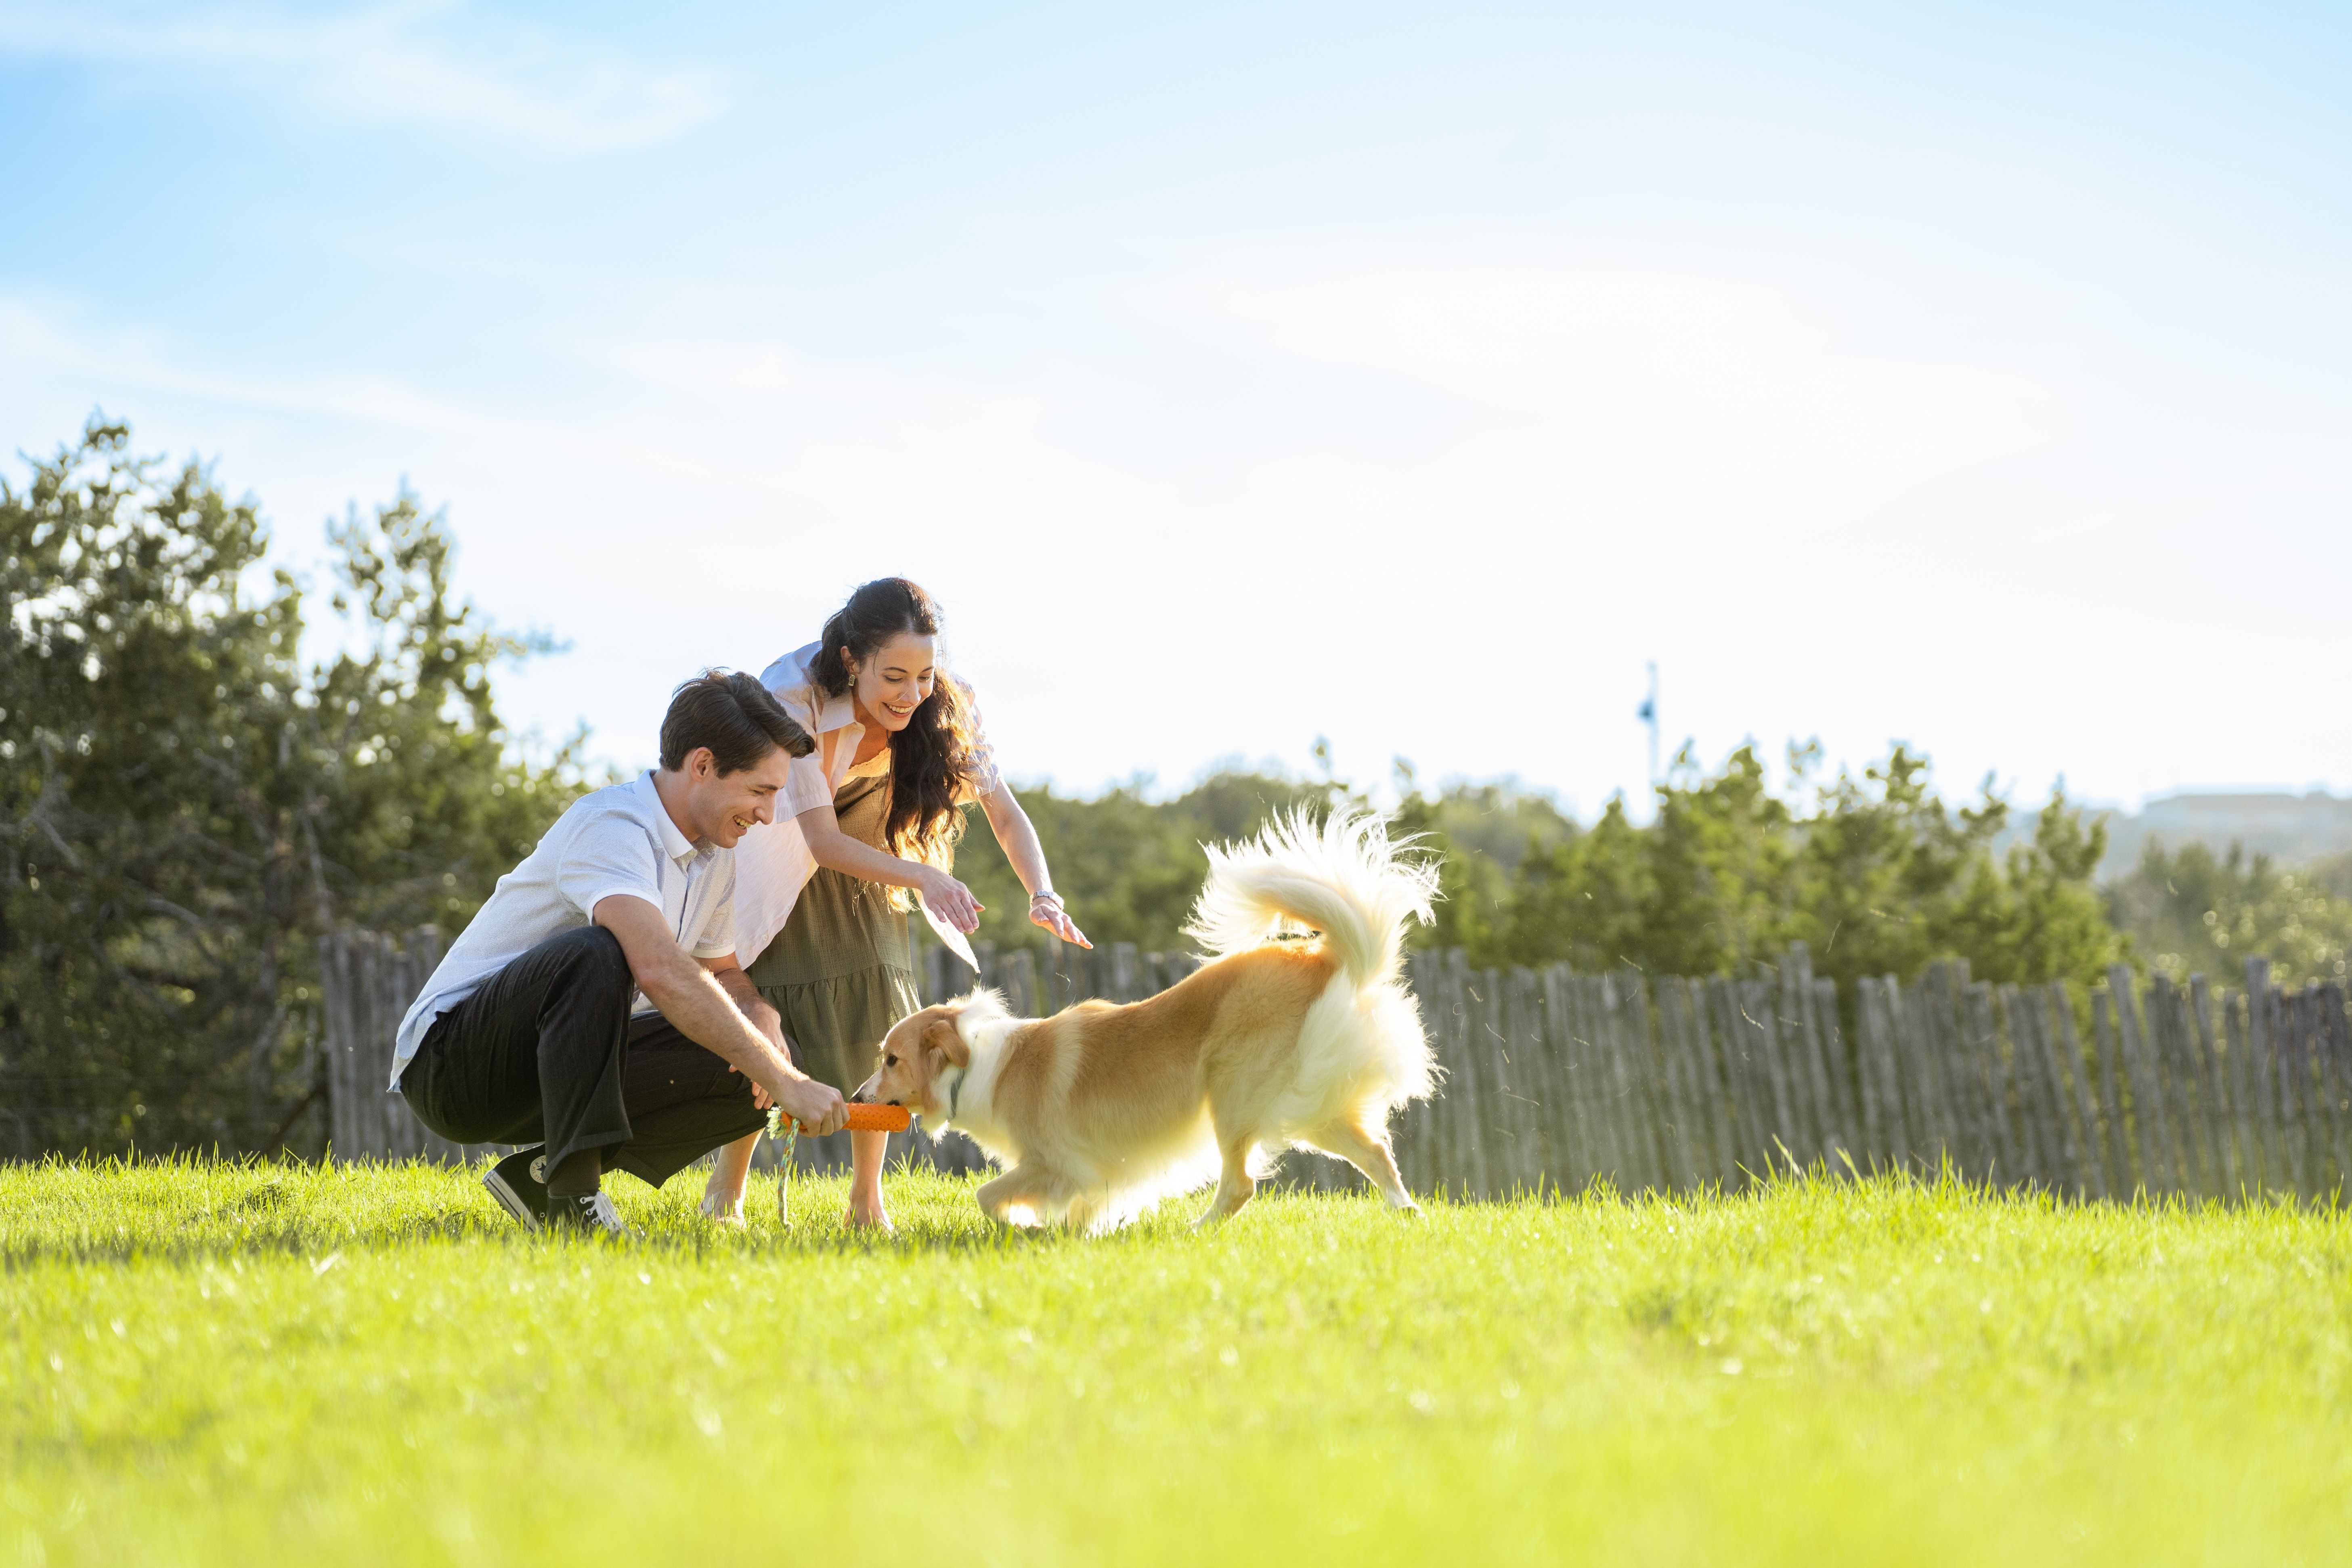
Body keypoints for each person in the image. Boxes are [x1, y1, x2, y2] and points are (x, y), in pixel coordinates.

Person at [392, 671, 850, 1235]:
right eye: (760, 790)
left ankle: (538, 1179)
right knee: (599, 952)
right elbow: (657, 967)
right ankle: (573, 1203)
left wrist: (764, 1024)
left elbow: (722, 970)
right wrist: (785, 1082)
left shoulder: (715, 856)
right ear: (703, 766)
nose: (769, 814)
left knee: (755, 1063)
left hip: (560, 1067)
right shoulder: (613, 826)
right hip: (455, 1070)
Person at [699, 577, 1090, 1231]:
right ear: (852, 661)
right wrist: (925, 879)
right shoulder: (791, 695)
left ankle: (866, 1201)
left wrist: (1042, 892)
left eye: (926, 675)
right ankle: (726, 1189)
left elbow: (1005, 813)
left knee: (880, 1005)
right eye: (894, 677)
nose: (912, 695)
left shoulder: (945, 704)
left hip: (873, 858)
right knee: (773, 1012)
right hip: (791, 845)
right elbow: (818, 840)